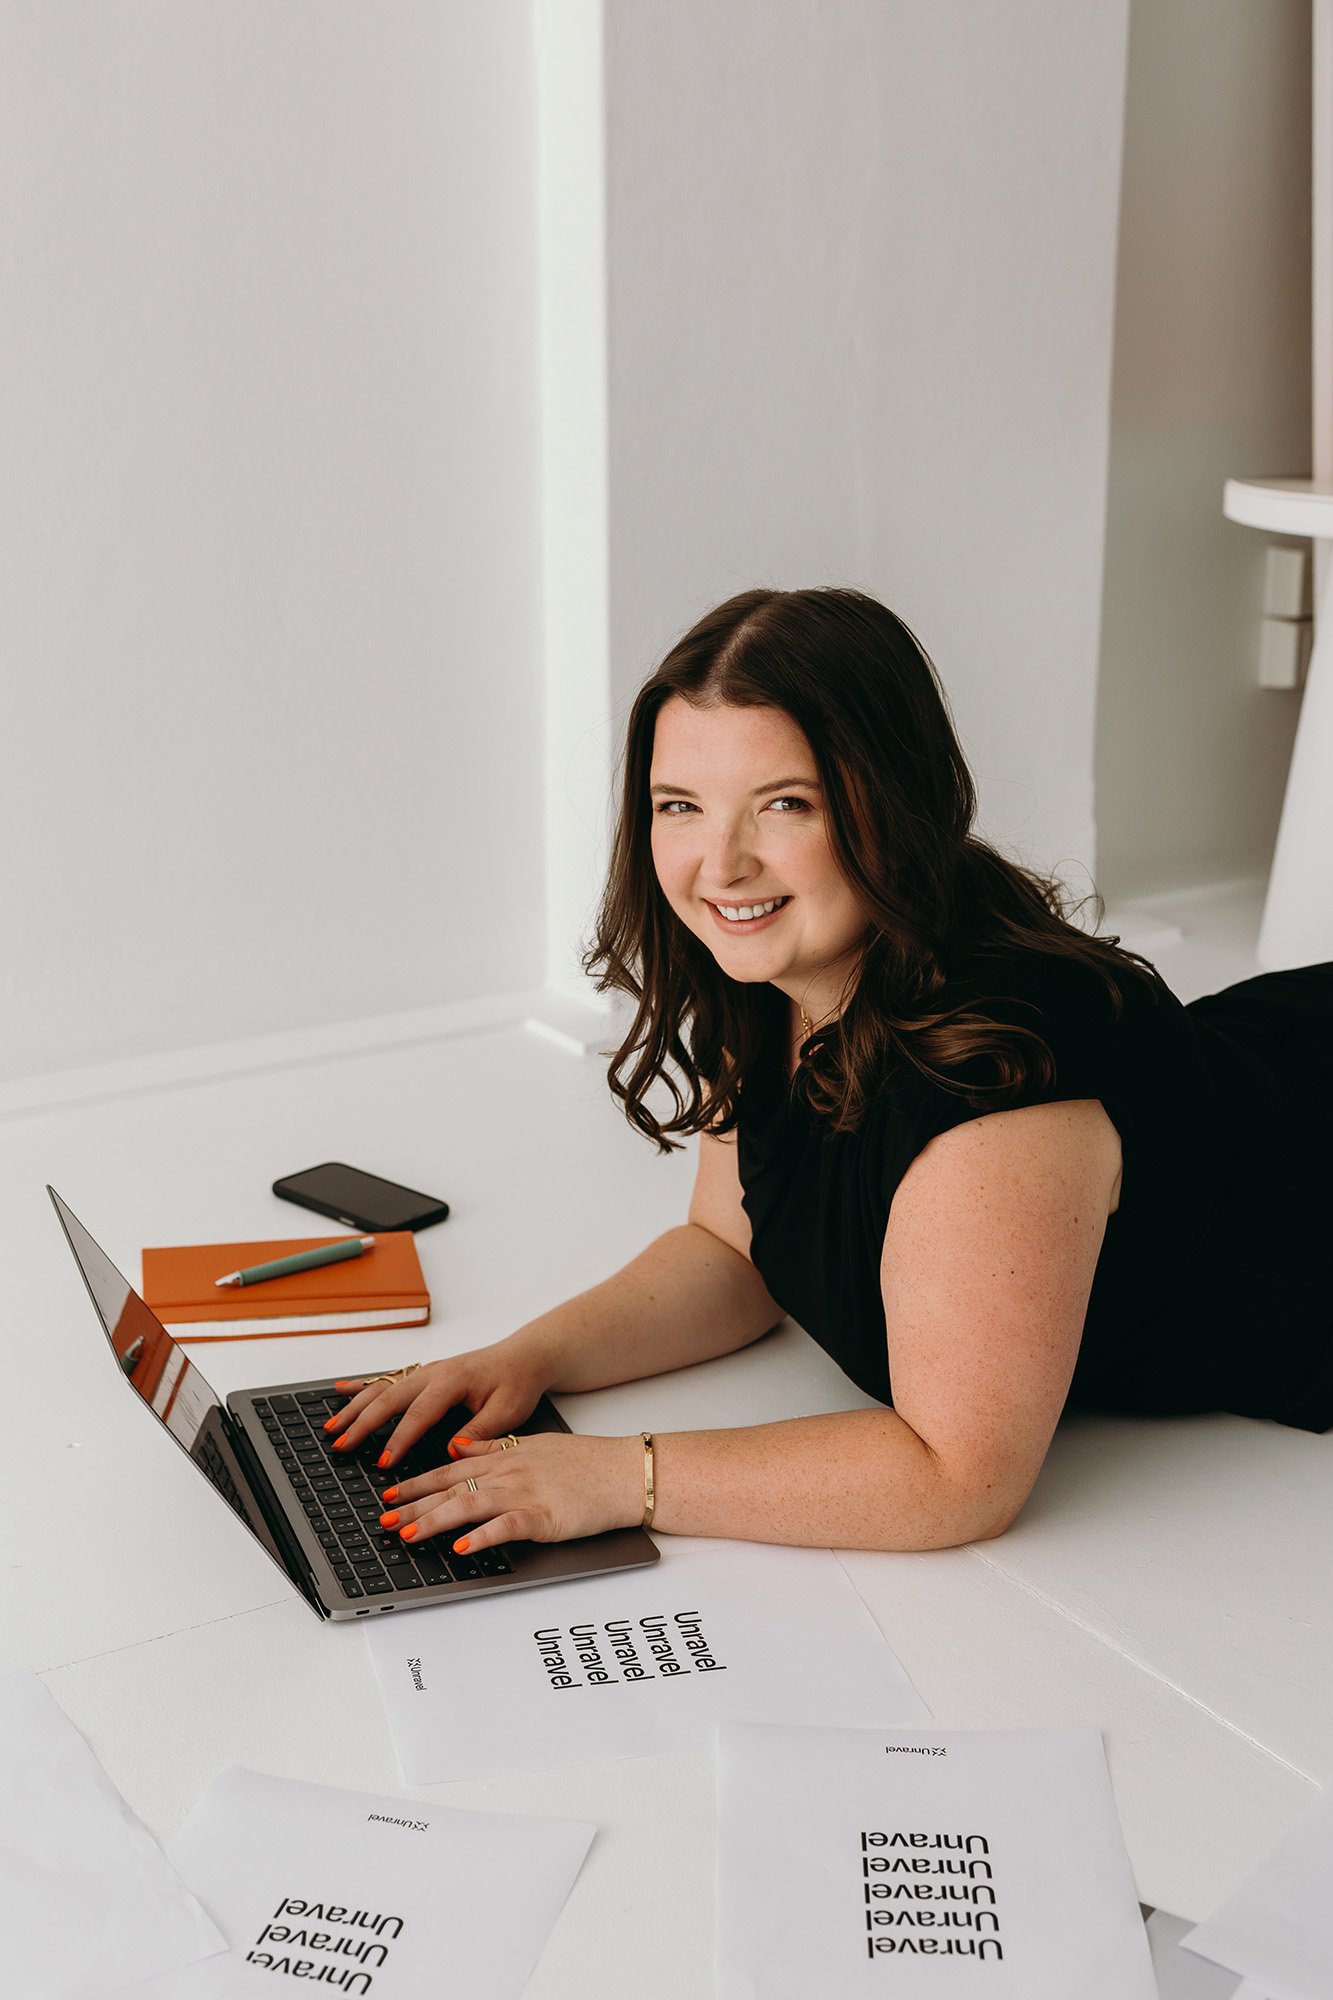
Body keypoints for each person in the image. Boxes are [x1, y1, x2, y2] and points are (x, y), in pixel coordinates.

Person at [327, 587, 1333, 1557]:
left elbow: (956, 1476)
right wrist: (525, 1359)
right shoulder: (782, 969)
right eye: (679, 804)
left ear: (893, 806)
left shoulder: (999, 1100)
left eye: (782, 804)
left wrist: (617, 1475)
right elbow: (731, 1249)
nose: (719, 864)